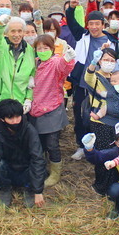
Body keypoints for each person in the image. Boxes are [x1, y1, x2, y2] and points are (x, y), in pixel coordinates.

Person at [66, 0, 117, 160]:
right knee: (80, 114)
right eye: (91, 24)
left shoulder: (111, 42)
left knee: (98, 115)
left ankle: (98, 145)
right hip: (82, 83)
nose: (94, 27)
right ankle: (82, 145)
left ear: (103, 24)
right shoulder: (82, 36)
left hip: (100, 86)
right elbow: (71, 22)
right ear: (87, 25)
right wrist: (71, 9)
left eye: (97, 24)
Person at [0, 99, 46, 208]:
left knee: (38, 165)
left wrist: (37, 190)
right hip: (7, 169)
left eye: (17, 116)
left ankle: (30, 189)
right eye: (10, 118)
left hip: (26, 169)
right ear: (2, 119)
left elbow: (37, 158)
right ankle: (5, 188)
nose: (15, 121)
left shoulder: (29, 130)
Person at [28, 35, 76, 186]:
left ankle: (55, 172)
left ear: (52, 49)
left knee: (52, 143)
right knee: (38, 143)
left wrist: (67, 59)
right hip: (34, 108)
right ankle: (40, 168)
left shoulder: (54, 62)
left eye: (45, 48)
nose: (42, 51)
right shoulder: (34, 63)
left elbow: (64, 66)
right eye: (39, 48)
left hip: (51, 108)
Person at [0, 14, 36, 122]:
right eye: (13, 31)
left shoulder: (29, 50)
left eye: (20, 31)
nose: (16, 35)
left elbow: (31, 77)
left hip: (20, 103)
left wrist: (28, 99)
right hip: (1, 102)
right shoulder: (0, 47)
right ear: (6, 33)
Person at [84, 48, 119, 151]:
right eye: (106, 60)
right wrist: (93, 62)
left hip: (116, 119)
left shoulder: (115, 77)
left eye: (112, 61)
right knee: (103, 151)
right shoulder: (96, 77)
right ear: (100, 61)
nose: (109, 63)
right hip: (100, 121)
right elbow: (88, 77)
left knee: (115, 150)